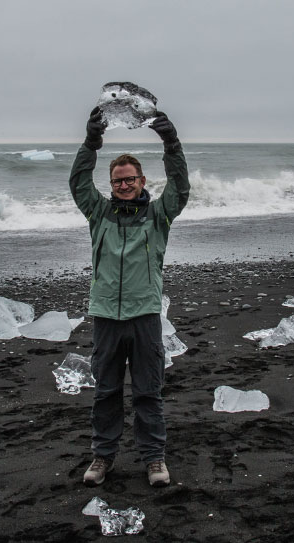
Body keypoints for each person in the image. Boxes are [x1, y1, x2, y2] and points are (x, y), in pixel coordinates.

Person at [69, 106, 190, 487]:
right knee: (105, 392)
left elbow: (180, 186)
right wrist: (92, 141)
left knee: (147, 393)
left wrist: (171, 142)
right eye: (118, 180)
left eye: (130, 180)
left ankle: (155, 459)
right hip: (106, 315)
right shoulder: (98, 213)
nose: (124, 185)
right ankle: (102, 458)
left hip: (144, 316)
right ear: (111, 183)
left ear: (141, 180)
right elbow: (77, 181)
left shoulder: (159, 215)